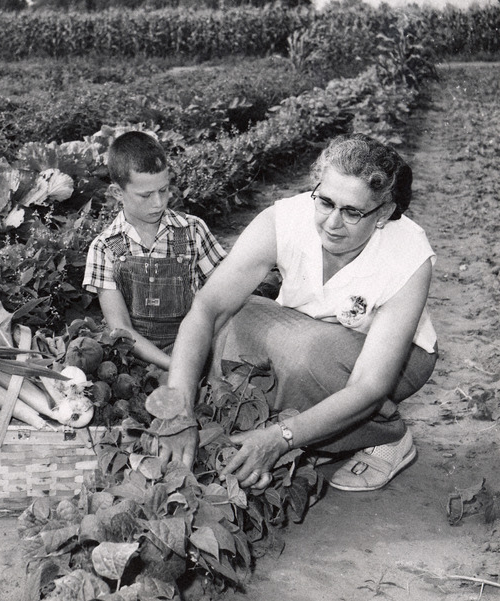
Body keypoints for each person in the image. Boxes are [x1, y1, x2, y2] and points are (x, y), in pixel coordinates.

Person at [160, 133, 438, 492]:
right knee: (236, 322)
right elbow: (207, 309)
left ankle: (385, 435)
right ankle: (323, 430)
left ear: (383, 212)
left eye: (352, 212)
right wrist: (178, 414)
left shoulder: (409, 253)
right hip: (309, 334)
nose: (332, 223)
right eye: (325, 202)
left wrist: (281, 438)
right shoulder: (283, 219)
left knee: (305, 355)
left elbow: (371, 384)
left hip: (394, 362)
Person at [83, 131, 227, 370]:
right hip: (140, 360)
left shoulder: (192, 230)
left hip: (197, 348)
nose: (159, 203)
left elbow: (225, 297)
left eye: (163, 190)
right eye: (146, 195)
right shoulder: (105, 248)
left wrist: (202, 356)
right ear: (117, 193)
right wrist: (177, 367)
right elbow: (121, 328)